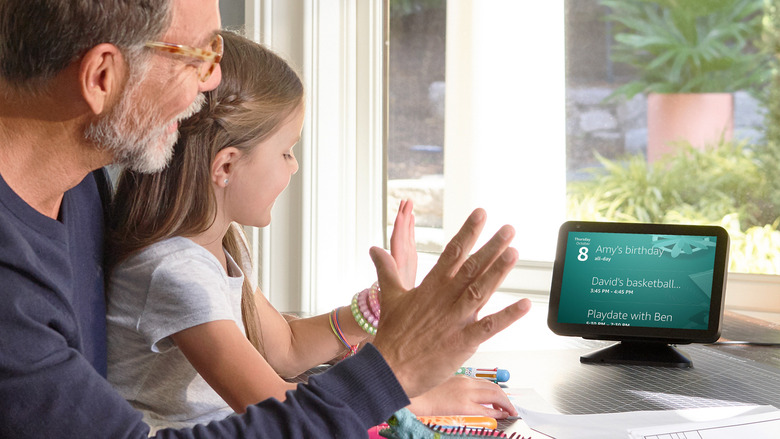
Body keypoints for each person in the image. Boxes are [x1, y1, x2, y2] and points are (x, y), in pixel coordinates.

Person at [0, 0, 531, 437]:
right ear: (102, 77)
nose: (212, 85)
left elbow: (285, 346)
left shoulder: (83, 190)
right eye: (199, 58)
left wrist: (383, 323)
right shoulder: (14, 293)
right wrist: (399, 374)